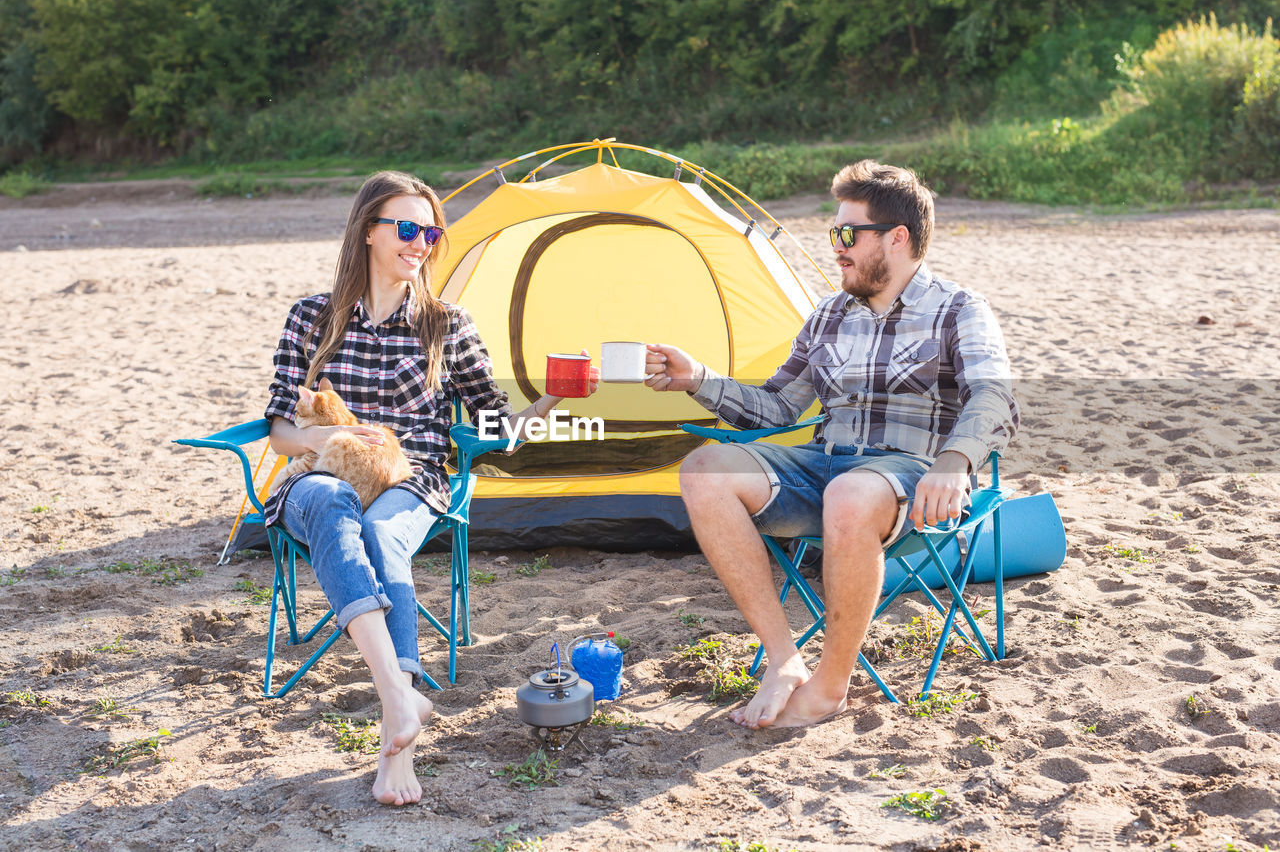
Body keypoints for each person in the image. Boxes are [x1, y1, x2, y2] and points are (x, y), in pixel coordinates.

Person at [645, 160, 1018, 730]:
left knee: (848, 494)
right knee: (704, 471)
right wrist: (698, 378)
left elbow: (994, 398)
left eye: (849, 233)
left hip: (913, 476)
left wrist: (954, 460)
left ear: (897, 238)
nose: (836, 248)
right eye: (833, 234)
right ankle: (785, 661)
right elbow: (776, 407)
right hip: (824, 467)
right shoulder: (829, 315)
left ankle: (832, 687)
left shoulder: (958, 309)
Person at [262, 171, 597, 805]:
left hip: (409, 476)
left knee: (383, 533)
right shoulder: (312, 317)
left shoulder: (446, 323)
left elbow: (493, 420)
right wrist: (333, 443)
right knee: (335, 504)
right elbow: (280, 430)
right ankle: (398, 694)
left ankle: (398, 743)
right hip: (314, 476)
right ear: (368, 232)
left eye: (431, 232)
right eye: (407, 229)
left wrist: (559, 395)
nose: (421, 243)